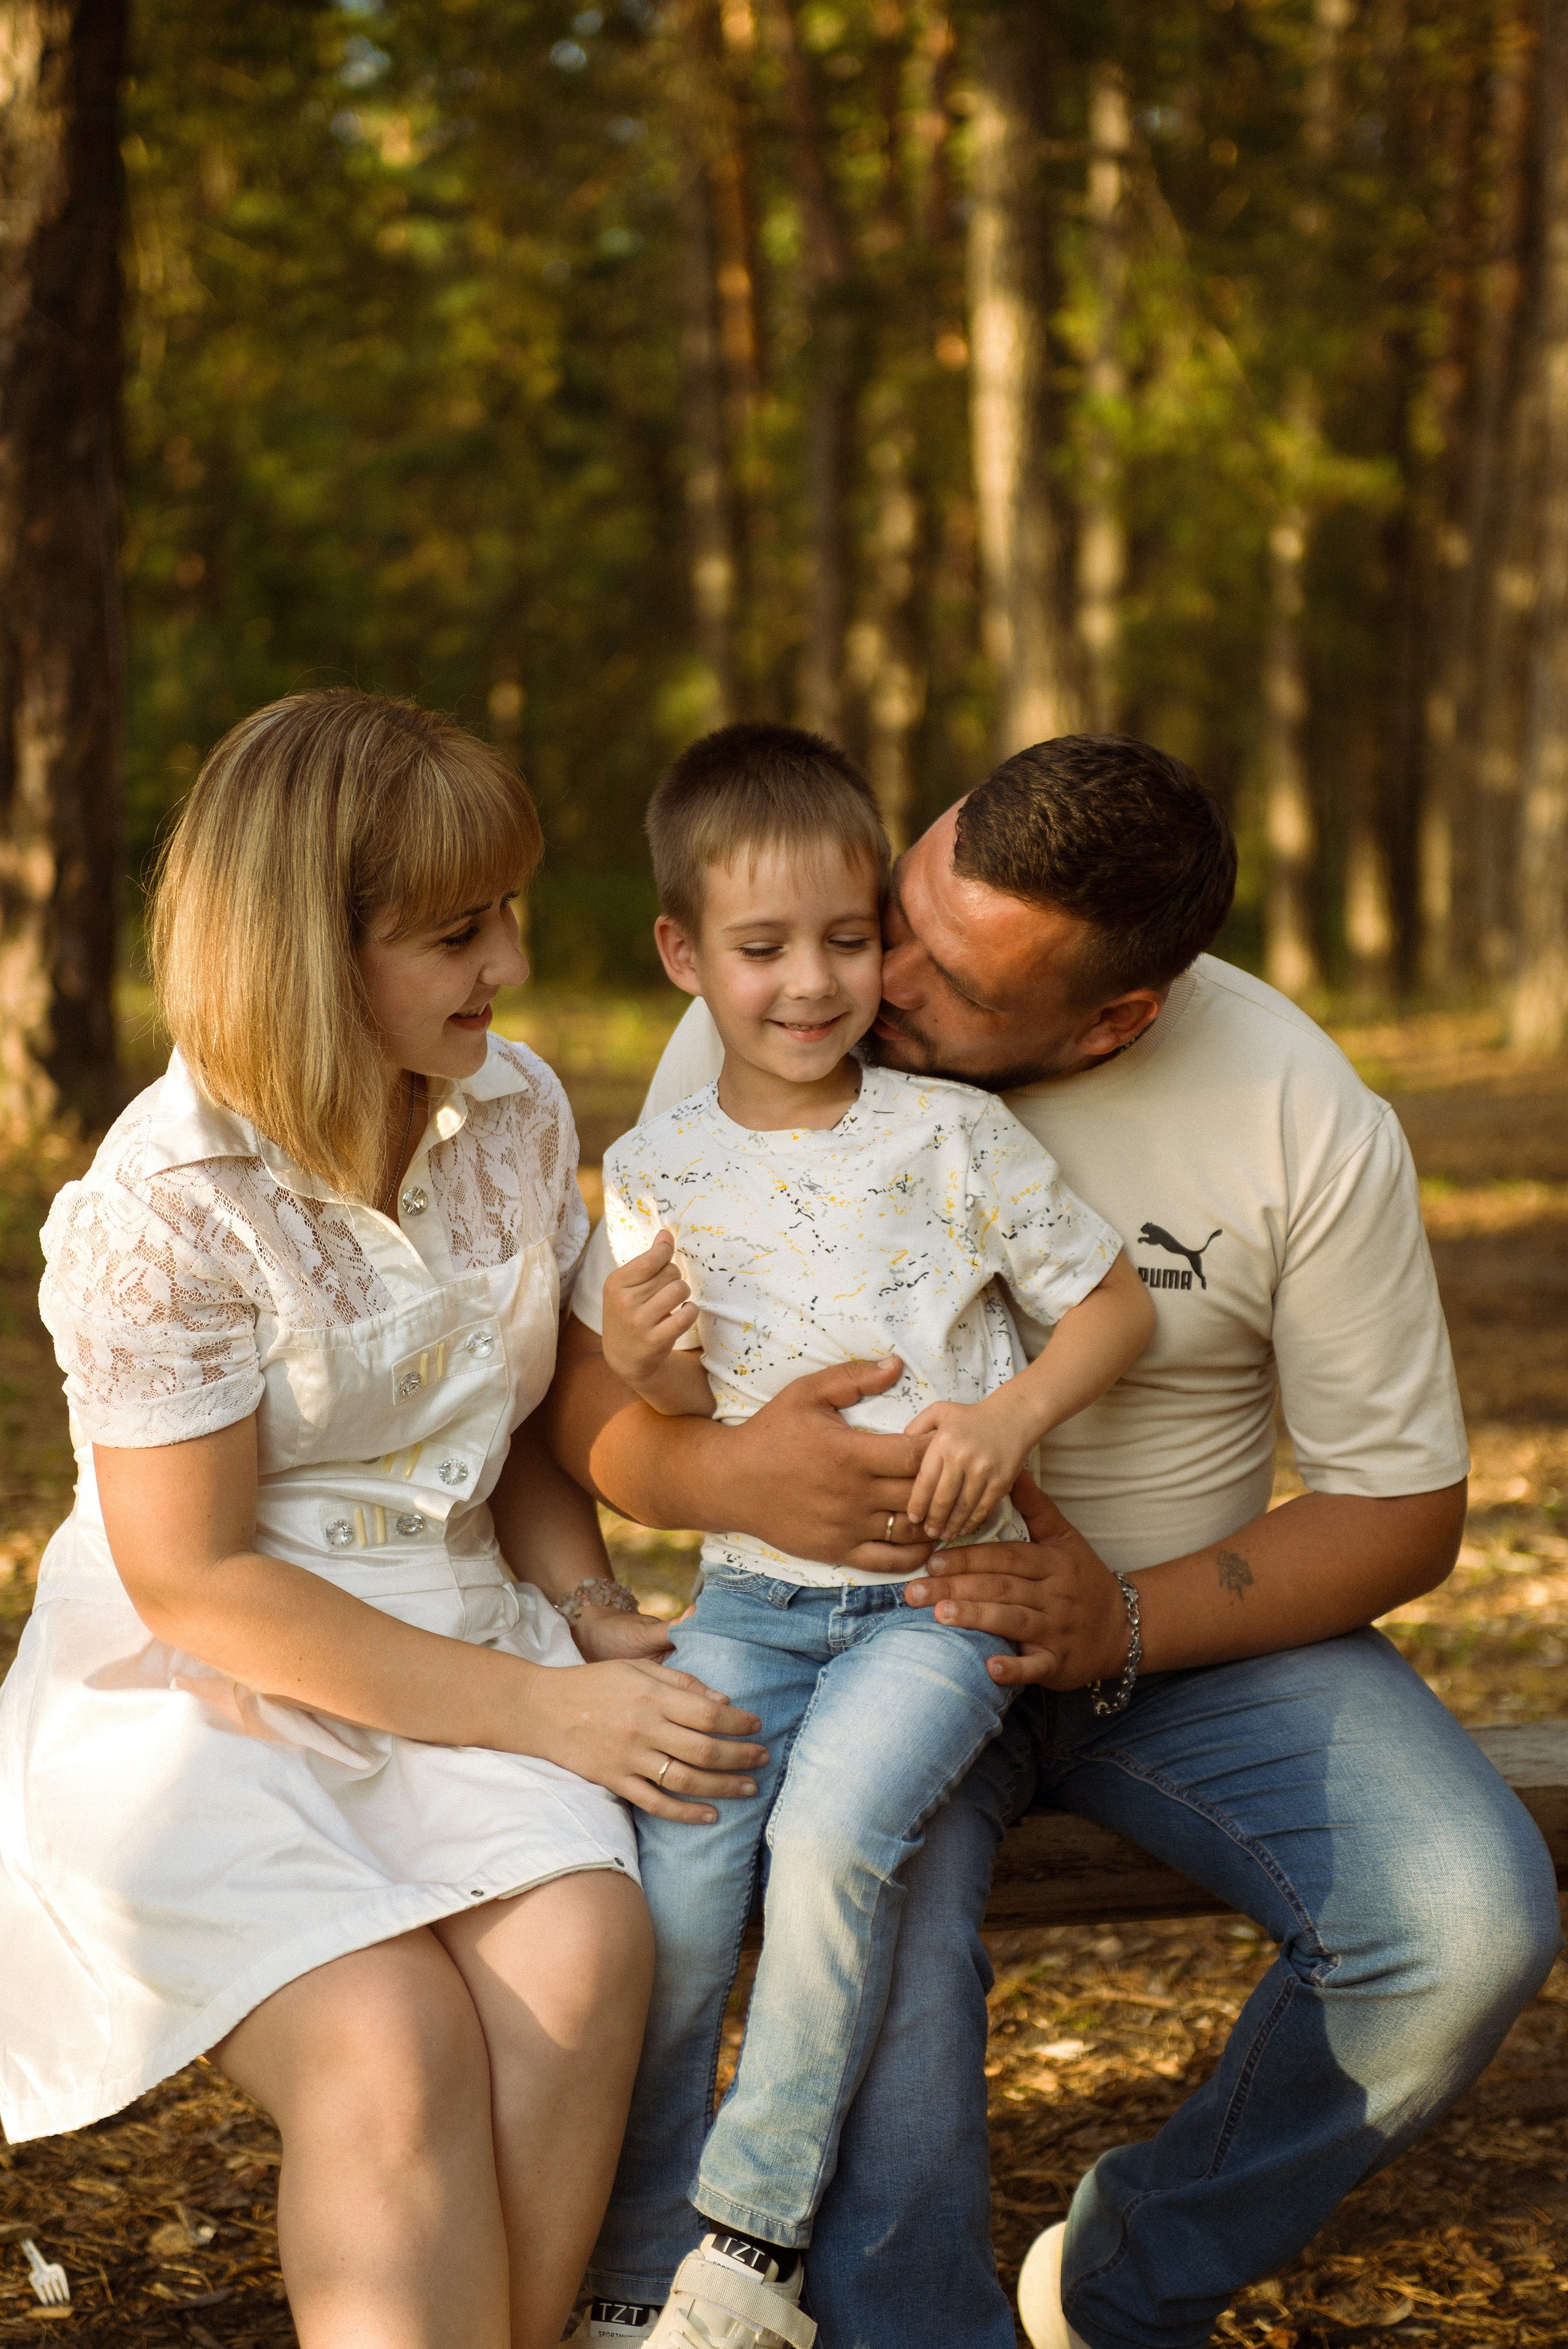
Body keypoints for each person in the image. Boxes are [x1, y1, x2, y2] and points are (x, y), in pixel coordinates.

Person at [552, 730, 1563, 2349]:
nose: (870, 983)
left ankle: (1115, 2282)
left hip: (1182, 1646)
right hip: (871, 1625)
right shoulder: (765, 1021)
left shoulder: (1298, 1109)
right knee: (889, 1951)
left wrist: (1127, 1620)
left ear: (1111, 1020)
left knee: (1464, 1919)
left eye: (941, 978)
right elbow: (615, 1412)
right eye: (899, 911)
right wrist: (723, 1479)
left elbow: (1406, 1509)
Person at [0, 689, 766, 2349]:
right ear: (303, 949)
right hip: (207, 1694)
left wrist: (579, 1597)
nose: (506, 962)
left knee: (581, 1951)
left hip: (471, 1635)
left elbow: (525, 1426)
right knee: (389, 2042)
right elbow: (196, 1580)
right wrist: (554, 1713)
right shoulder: (168, 1200)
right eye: (453, 932)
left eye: (508, 913)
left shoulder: (515, 1112)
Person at [586, 730, 1153, 2347]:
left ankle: (748, 2241)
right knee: (681, 1886)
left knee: (833, 1837)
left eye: (849, 937)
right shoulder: (650, 1171)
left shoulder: (949, 1136)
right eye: (761, 950)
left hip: (936, 1603)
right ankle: (638, 2276)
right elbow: (671, 1414)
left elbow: (1112, 1310)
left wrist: (1009, 1420)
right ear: (684, 953)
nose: (813, 983)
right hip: (751, 1606)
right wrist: (640, 1356)